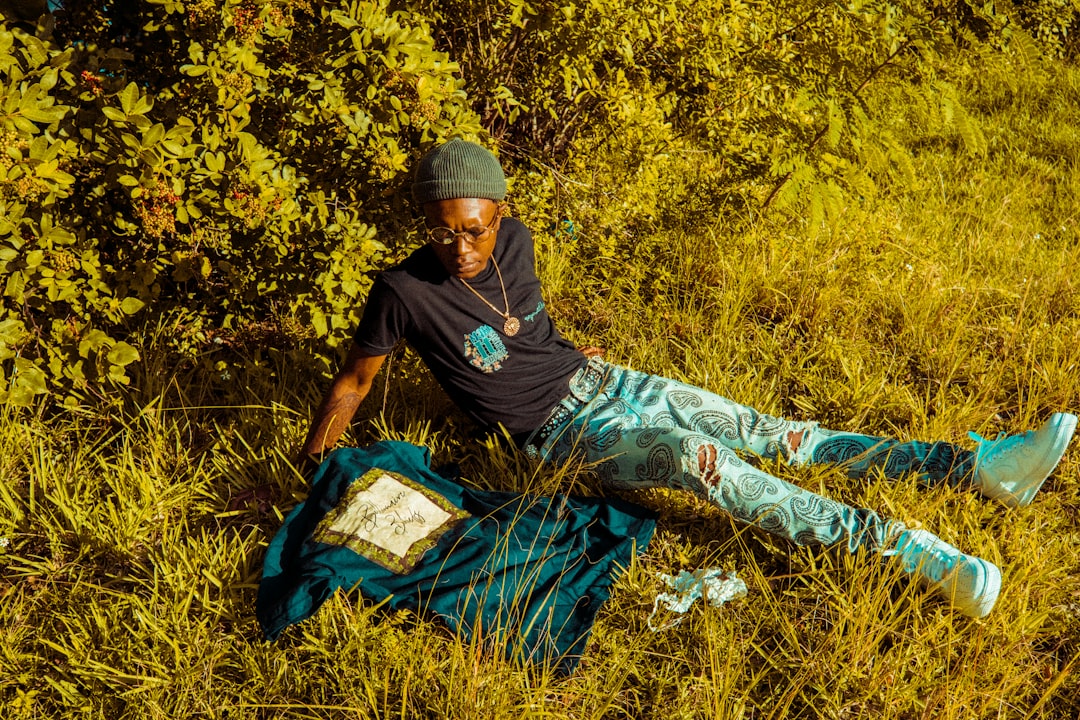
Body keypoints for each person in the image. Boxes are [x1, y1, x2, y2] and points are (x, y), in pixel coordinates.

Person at [298, 138, 1077, 619]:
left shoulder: (519, 242)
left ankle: (971, 468)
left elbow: (531, 329)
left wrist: (587, 362)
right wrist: (312, 465)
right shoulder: (403, 292)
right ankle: (908, 553)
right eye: (440, 232)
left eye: (472, 230)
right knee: (710, 465)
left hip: (609, 381)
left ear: (500, 215)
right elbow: (353, 386)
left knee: (777, 433)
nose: (458, 249)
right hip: (562, 434)